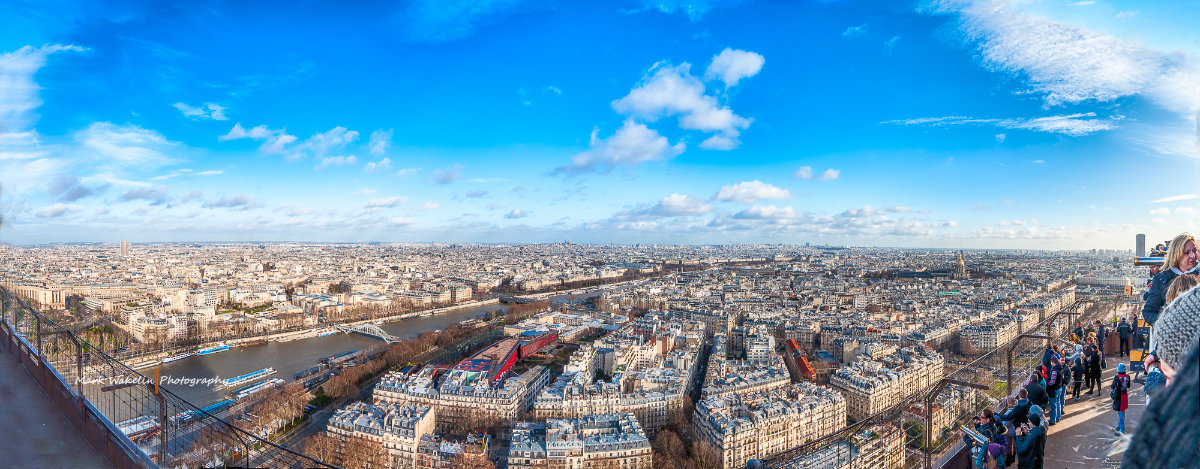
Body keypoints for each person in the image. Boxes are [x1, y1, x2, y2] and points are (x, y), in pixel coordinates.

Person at [1141, 232, 1198, 326]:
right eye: (1187, 253)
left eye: (1194, 251)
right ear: (1176, 255)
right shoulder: (1161, 278)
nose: (1193, 256)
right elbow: (1149, 312)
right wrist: (1167, 323)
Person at [1112, 363, 1131, 435]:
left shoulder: (1117, 377)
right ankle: (1119, 426)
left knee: (1120, 413)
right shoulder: (1128, 376)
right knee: (1123, 412)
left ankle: (1122, 431)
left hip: (1118, 396)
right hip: (1125, 395)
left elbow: (1113, 386)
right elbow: (1128, 386)